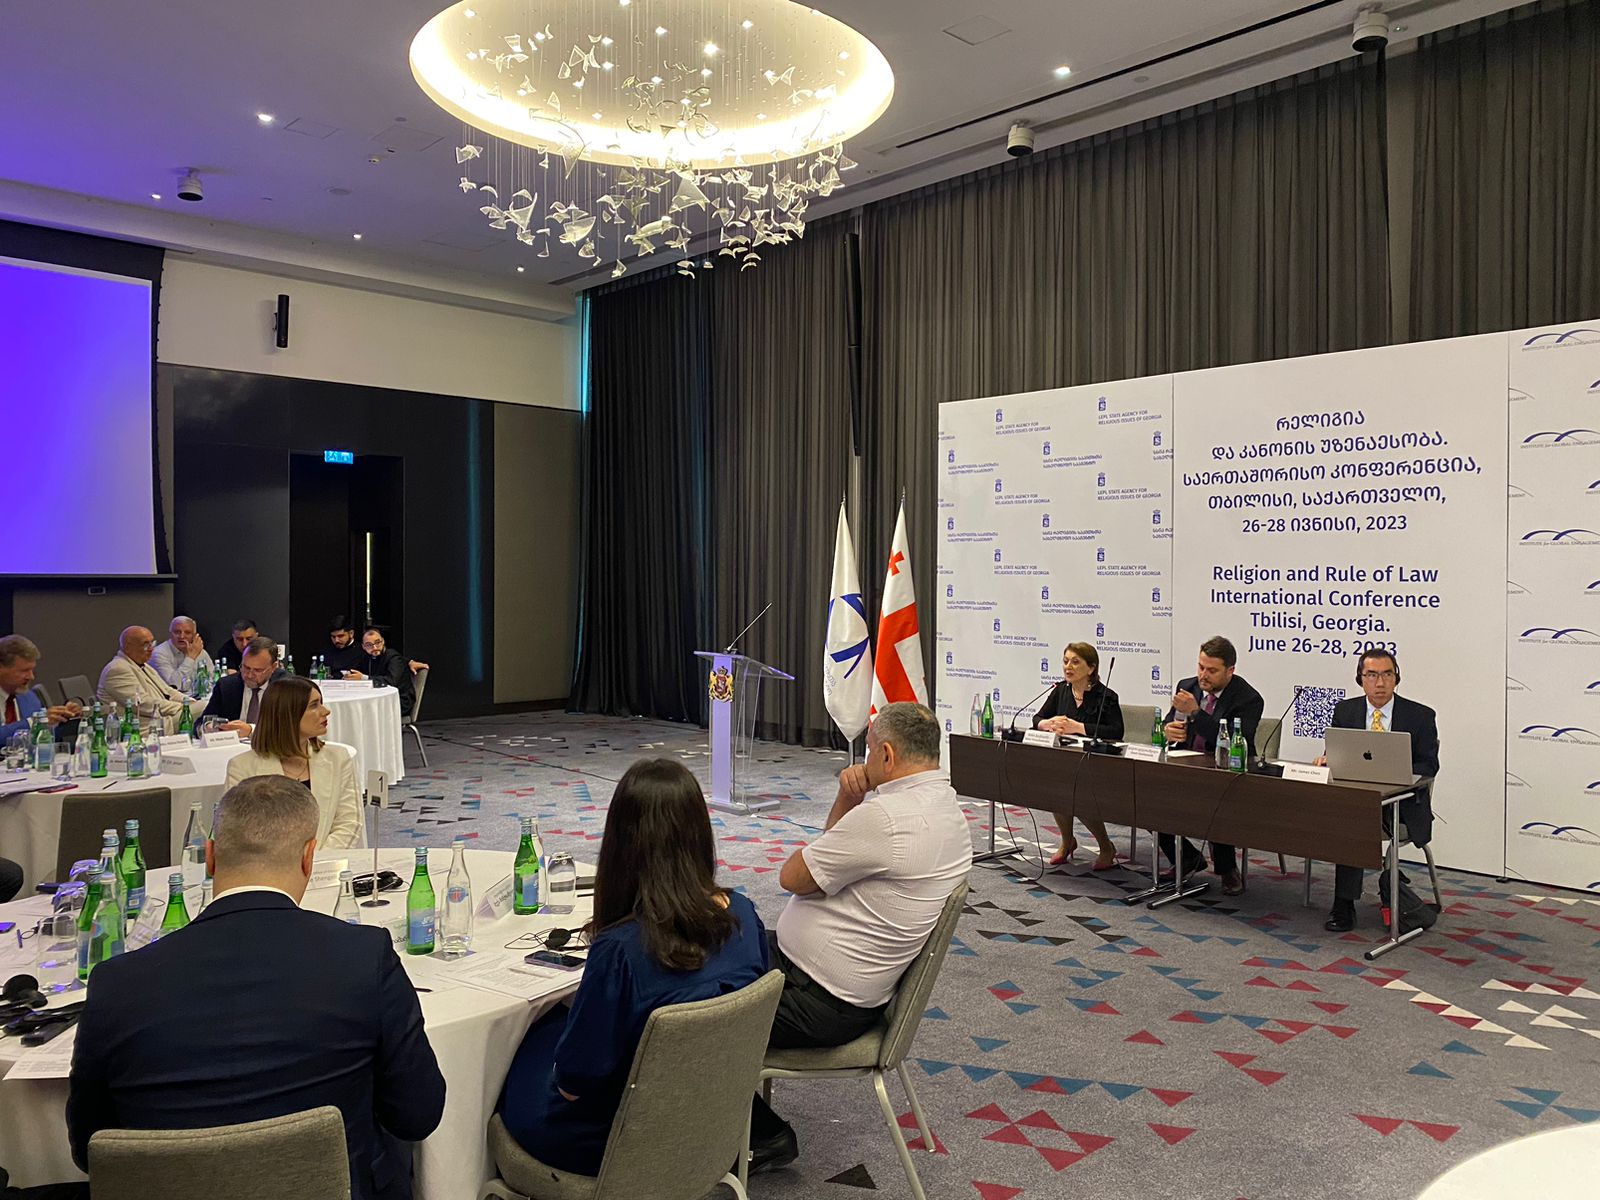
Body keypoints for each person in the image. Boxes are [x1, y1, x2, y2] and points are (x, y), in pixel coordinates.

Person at [66, 775, 444, 1200]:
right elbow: (418, 1115)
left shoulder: (116, 983)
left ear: (210, 856)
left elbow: (89, 1149)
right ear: (309, 857)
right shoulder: (363, 956)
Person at [497, 758, 769, 1176]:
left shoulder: (621, 952)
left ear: (622, 845)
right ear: (701, 834)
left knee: (514, 1047)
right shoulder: (745, 915)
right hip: (712, 1121)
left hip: (615, 1139)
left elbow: (573, 1087)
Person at [748, 702, 972, 1173]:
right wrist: (849, 802)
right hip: (843, 990)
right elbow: (831, 857)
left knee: (684, 996)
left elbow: (793, 877)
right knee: (722, 934)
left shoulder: (887, 818)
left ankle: (762, 1135)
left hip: (815, 1000)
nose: (863, 761)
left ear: (886, 755)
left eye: (868, 750)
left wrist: (855, 805)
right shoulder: (947, 809)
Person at [1319, 648, 1440, 932]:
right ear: (1360, 679)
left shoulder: (1420, 716)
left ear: (1397, 678)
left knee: (1351, 822)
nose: (1380, 683)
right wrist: (1327, 759)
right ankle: (1345, 903)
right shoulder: (1346, 710)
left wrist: (1396, 772)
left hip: (1401, 804)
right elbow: (1338, 754)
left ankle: (1343, 904)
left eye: (1387, 674)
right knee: (1345, 815)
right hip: (1356, 801)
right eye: (1372, 675)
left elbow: (1429, 765)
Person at [1159, 635, 1263, 896]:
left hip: (1227, 772)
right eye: (1201, 667)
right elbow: (1171, 721)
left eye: (1212, 670)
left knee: (1218, 798)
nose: (1203, 676)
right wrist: (1168, 729)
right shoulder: (1187, 686)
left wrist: (1196, 712)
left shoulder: (1248, 698)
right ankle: (1187, 857)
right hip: (1185, 765)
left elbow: (1234, 740)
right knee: (1150, 795)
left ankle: (1227, 868)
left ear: (1230, 671)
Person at [225, 676, 363, 848]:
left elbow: (349, 823)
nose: (326, 711)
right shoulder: (242, 767)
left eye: (321, 703)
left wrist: (314, 859)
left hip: (328, 860)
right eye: (314, 705)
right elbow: (239, 832)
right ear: (288, 714)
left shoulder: (338, 758)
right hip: (267, 863)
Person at [1034, 642, 1123, 871]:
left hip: (1097, 765)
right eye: (1065, 661)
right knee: (1057, 790)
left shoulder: (1106, 696)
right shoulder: (1060, 690)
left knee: (1079, 794)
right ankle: (1067, 841)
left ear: (1091, 668)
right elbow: (1037, 719)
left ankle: (1105, 846)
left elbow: (1116, 732)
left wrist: (1078, 727)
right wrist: (1048, 723)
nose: (1068, 667)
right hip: (1066, 761)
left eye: (1075, 662)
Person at [95, 626, 188, 733]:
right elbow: (143, 704)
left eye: (152, 643)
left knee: (201, 706)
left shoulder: (143, 665)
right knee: (201, 710)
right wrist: (182, 707)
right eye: (145, 645)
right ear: (128, 647)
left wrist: (188, 701)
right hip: (144, 728)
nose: (151, 649)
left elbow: (167, 691)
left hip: (162, 718)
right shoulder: (117, 669)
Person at [0, 634, 81, 745]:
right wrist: (33, 723)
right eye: (24, 671)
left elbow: (43, 740)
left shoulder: (28, 697)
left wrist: (62, 721)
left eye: (32, 670)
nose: (31, 677)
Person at [201, 635, 282, 736]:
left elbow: (289, 729)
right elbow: (202, 722)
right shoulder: (227, 685)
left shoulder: (286, 687)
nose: (249, 675)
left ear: (273, 667)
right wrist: (208, 727)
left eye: (258, 670)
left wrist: (251, 730)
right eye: (246, 667)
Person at [343, 627, 415, 714]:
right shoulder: (367, 658)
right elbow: (356, 670)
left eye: (377, 643)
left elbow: (391, 681)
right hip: (378, 698)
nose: (374, 647)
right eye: (369, 645)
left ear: (383, 641)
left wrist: (363, 678)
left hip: (399, 700)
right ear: (363, 647)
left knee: (362, 710)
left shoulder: (393, 657)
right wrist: (349, 675)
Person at [149, 615, 216, 696]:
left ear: (195, 635)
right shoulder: (158, 654)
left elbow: (213, 679)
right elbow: (174, 685)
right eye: (177, 632)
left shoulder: (200, 652)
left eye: (187, 633)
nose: (181, 636)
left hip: (198, 698)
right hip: (171, 699)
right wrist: (190, 658)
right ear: (170, 634)